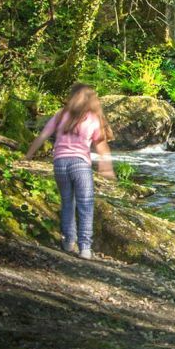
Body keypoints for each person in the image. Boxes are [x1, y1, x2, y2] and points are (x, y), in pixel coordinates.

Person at [25, 84, 115, 259]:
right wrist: (107, 167)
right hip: (80, 164)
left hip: (59, 164)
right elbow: (102, 145)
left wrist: (28, 156)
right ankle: (85, 248)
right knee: (85, 205)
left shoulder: (61, 115)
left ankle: (68, 242)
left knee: (67, 202)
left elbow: (43, 136)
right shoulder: (94, 118)